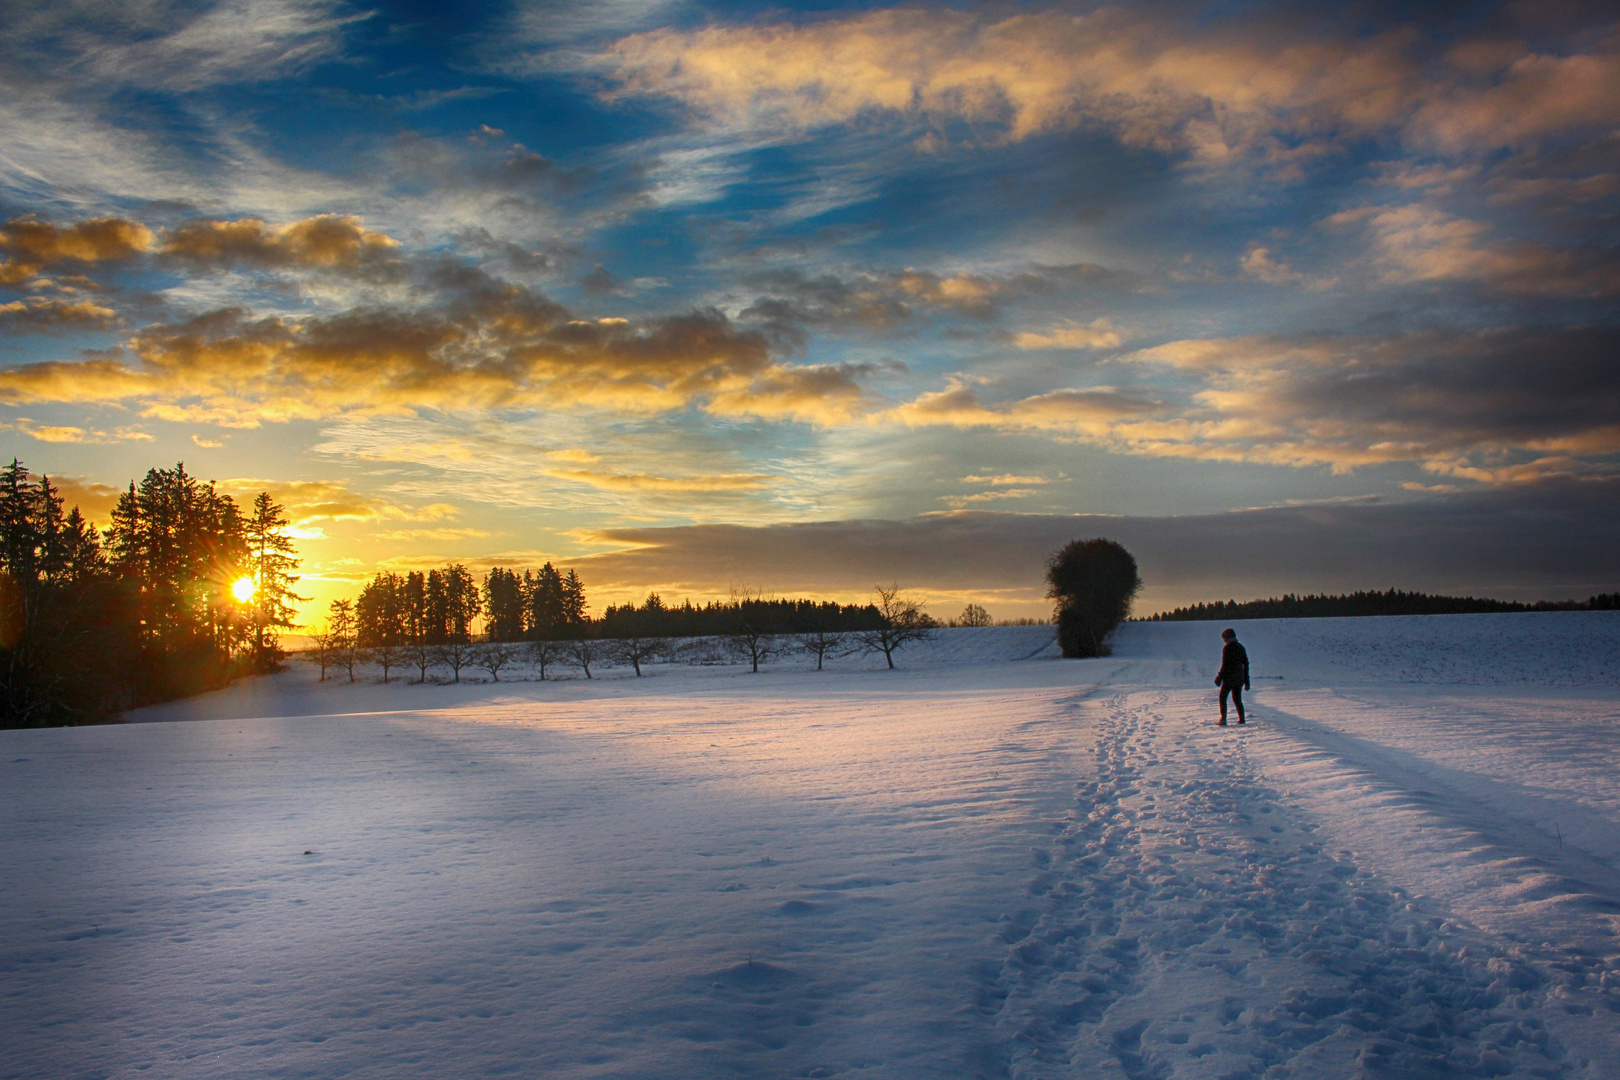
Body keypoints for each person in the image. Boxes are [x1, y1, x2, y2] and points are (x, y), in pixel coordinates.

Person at [1214, 627, 1249, 726]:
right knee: (1237, 699)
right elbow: (1246, 664)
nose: (1224, 641)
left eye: (1225, 639)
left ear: (1228, 638)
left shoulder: (1227, 648)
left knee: (1222, 697)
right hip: (1239, 678)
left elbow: (1225, 665)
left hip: (1229, 678)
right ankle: (1242, 719)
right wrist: (1247, 681)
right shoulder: (1241, 647)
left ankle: (1223, 719)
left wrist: (1219, 678)